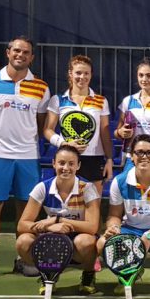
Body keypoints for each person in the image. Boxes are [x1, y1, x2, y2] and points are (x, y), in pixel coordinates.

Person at [0, 36, 51, 280]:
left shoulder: (41, 87)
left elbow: (41, 124)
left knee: (26, 208)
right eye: (16, 50)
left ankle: (22, 259)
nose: (20, 55)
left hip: (27, 156)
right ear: (8, 52)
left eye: (26, 52)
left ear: (31, 57)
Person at [97, 134, 150, 295]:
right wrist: (113, 227)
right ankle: (130, 270)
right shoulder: (120, 181)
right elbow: (114, 215)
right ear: (132, 156)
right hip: (131, 229)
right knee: (102, 243)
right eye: (139, 152)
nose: (144, 156)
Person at [15, 145, 100, 294]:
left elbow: (92, 227)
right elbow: (22, 225)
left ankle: (88, 274)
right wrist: (48, 227)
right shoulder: (42, 188)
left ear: (78, 166)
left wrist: (58, 220)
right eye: (61, 163)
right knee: (23, 242)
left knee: (86, 241)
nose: (66, 168)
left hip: (78, 242)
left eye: (71, 164)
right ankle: (47, 273)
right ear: (54, 163)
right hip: (52, 240)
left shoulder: (87, 188)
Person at [43, 55, 114, 196]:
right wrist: (64, 143)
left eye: (86, 73)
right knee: (66, 203)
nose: (82, 77)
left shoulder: (101, 101)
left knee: (93, 204)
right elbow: (47, 130)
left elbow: (105, 133)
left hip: (94, 158)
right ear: (70, 73)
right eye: (78, 73)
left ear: (91, 75)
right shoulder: (58, 100)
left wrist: (109, 160)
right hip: (67, 157)